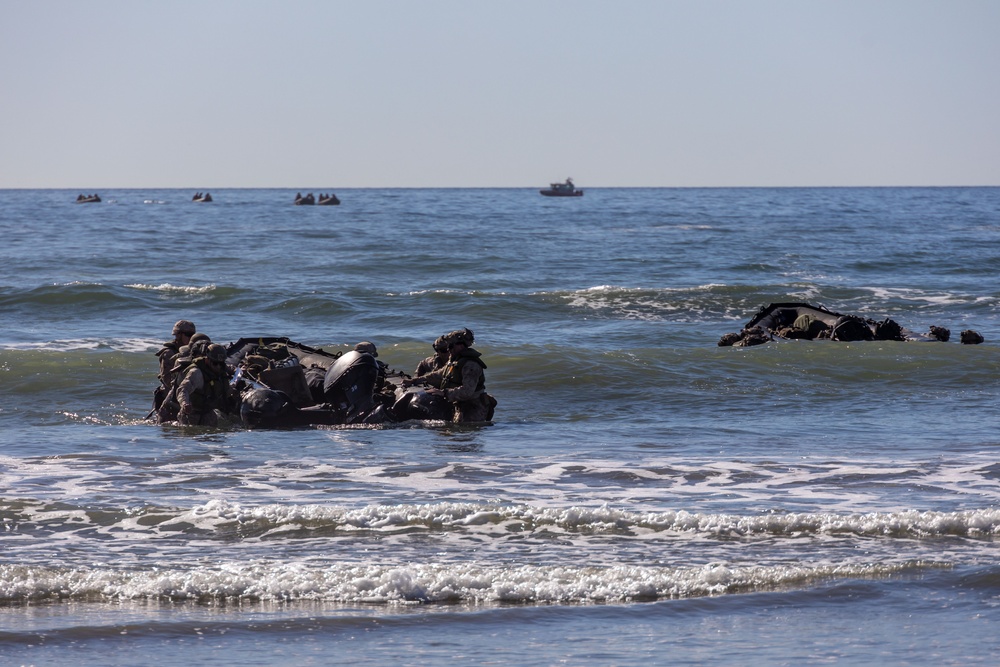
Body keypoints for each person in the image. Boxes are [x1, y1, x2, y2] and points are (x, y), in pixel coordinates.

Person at [404, 328, 495, 422]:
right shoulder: (455, 362)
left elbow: (467, 391)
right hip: (460, 407)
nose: (448, 349)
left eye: (451, 346)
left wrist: (444, 393)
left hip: (474, 409)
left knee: (464, 433)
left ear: (461, 345)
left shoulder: (470, 365)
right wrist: (415, 380)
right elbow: (438, 375)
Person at [176, 343, 232, 426]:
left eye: (221, 364)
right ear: (207, 359)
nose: (218, 367)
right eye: (215, 363)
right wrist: (184, 403)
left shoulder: (221, 372)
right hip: (191, 414)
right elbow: (183, 389)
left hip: (208, 413)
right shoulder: (196, 373)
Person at [153, 320, 196, 412]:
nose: (191, 338)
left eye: (193, 334)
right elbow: (167, 379)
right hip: (170, 396)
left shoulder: (192, 351)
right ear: (178, 335)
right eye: (188, 334)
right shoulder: (169, 354)